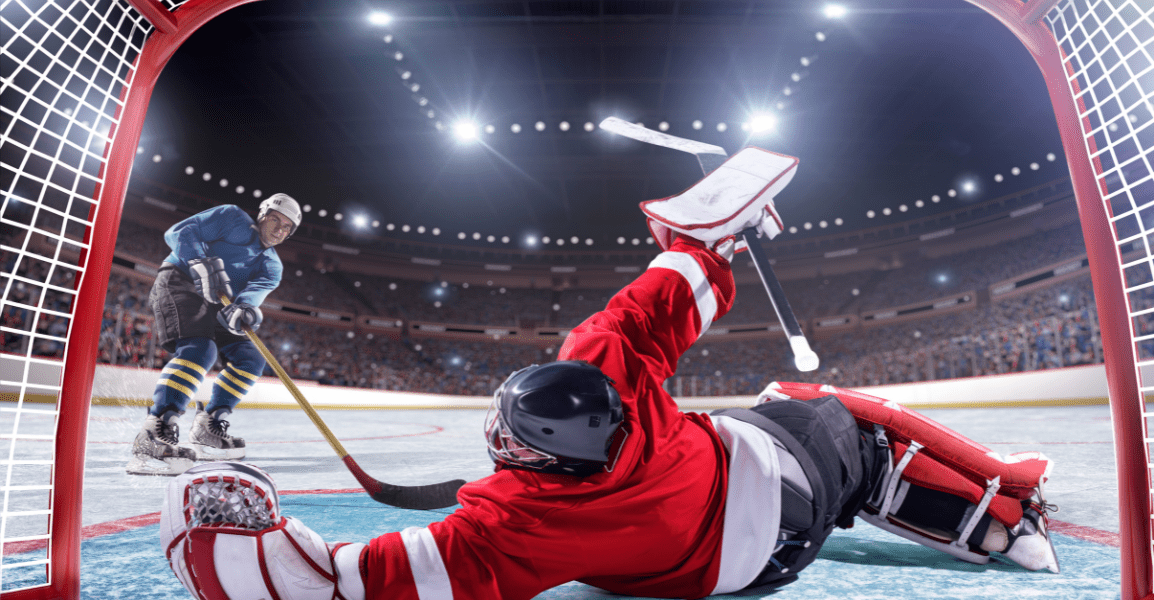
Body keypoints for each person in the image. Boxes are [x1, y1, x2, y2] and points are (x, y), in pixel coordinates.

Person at [159, 149, 1060, 599]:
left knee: (808, 425)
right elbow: (677, 281)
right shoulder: (610, 371)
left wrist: (222, 539)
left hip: (736, 573)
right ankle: (1006, 513)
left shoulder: (514, 524)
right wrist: (717, 239)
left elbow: (345, 586)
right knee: (831, 418)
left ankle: (996, 526)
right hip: (769, 484)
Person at [127, 194, 301, 476]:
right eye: (276, 221)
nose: (280, 230)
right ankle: (154, 431)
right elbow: (179, 232)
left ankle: (209, 425)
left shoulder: (272, 267)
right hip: (180, 281)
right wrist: (198, 261)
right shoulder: (230, 217)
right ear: (263, 214)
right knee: (200, 349)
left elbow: (250, 298)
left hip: (220, 303)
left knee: (251, 359)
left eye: (287, 228)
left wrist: (245, 310)